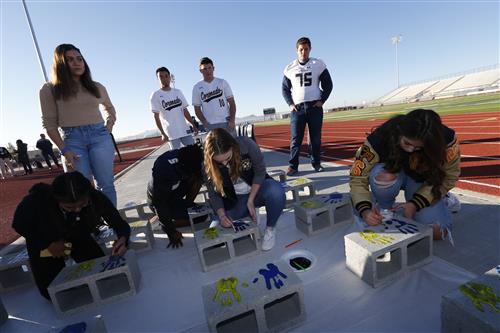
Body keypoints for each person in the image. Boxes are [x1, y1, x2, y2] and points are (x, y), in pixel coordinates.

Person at [12, 171, 130, 299]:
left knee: (101, 274)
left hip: (76, 235)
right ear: (56, 199)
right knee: (53, 292)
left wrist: (123, 239)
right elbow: (18, 224)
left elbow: (119, 224)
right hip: (46, 239)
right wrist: (47, 244)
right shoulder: (35, 201)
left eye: (83, 204)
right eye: (69, 207)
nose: (77, 210)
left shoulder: (95, 197)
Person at [349, 109, 461, 240]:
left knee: (435, 232)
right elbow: (358, 176)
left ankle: (443, 198)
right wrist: (364, 210)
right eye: (407, 143)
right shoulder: (379, 138)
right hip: (393, 174)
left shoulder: (446, 140)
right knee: (383, 176)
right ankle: (384, 207)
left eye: (419, 147)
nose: (410, 149)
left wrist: (416, 203)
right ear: (399, 132)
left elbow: (449, 176)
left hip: (423, 183)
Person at [39, 43, 117, 206]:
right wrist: (64, 150)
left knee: (106, 184)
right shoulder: (49, 89)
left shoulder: (97, 87)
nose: (77, 63)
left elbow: (110, 109)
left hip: (100, 136)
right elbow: (49, 125)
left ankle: (113, 225)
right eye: (70, 60)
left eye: (79, 59)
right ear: (60, 64)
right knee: (79, 188)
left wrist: (108, 128)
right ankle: (92, 226)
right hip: (72, 141)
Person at [203, 128, 285, 251]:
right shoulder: (206, 165)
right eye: (219, 162)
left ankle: (270, 229)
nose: (225, 164)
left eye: (228, 158)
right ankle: (249, 211)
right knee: (215, 234)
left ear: (232, 146)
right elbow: (213, 194)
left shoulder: (246, 145)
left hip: (257, 191)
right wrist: (221, 216)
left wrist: (251, 200)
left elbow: (260, 171)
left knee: (276, 191)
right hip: (236, 200)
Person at [282, 37, 333, 176]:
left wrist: (322, 100)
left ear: (310, 49)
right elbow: (285, 89)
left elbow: (328, 84)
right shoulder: (290, 68)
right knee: (295, 140)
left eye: (306, 49)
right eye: (300, 49)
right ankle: (293, 166)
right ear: (296, 50)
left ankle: (316, 163)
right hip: (297, 109)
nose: (303, 52)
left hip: (314, 107)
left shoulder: (318, 64)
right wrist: (290, 104)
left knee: (315, 138)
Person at [147, 144, 204, 249]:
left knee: (198, 179)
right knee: (198, 218)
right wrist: (170, 231)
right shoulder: (163, 169)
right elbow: (159, 203)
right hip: (162, 200)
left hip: (175, 192)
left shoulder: (191, 155)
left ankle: (186, 206)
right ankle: (161, 223)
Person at [150, 67, 198, 149]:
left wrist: (192, 124)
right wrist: (162, 133)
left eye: (166, 76)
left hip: (184, 130)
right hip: (171, 133)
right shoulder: (155, 95)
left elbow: (185, 110)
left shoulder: (178, 92)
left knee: (193, 152)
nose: (164, 78)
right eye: (161, 76)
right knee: (176, 157)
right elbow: (156, 117)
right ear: (157, 79)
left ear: (169, 77)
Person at [192, 57, 236, 133]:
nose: (207, 71)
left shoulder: (222, 82)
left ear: (213, 68)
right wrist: (204, 122)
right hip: (210, 125)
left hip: (226, 123)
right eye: (204, 69)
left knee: (231, 145)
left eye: (209, 68)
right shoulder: (197, 87)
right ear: (200, 71)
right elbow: (197, 109)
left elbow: (232, 103)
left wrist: (232, 120)